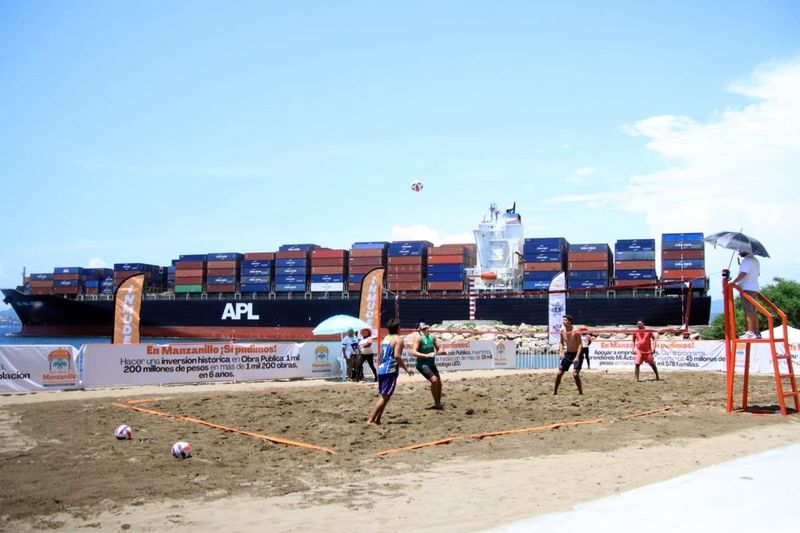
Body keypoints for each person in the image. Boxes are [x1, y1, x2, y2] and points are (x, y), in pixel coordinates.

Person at [367, 318, 413, 425]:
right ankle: (371, 419)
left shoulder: (386, 338)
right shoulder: (398, 340)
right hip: (390, 370)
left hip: (382, 369)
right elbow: (397, 356)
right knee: (385, 396)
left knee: (385, 396)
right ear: (398, 328)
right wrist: (406, 369)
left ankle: (378, 419)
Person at [410, 320, 446, 410]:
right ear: (418, 329)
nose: (425, 327)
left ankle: (438, 403)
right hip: (422, 364)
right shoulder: (418, 338)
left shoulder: (432, 336)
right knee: (434, 381)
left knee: (439, 383)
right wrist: (426, 355)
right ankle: (437, 403)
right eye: (423, 326)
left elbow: (438, 349)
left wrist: (442, 351)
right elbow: (413, 352)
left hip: (431, 363)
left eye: (425, 325)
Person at [730, 251, 761, 339]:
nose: (739, 253)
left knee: (748, 310)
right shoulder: (755, 260)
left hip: (746, 288)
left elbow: (743, 273)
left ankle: (750, 332)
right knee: (753, 310)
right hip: (754, 287)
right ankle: (757, 332)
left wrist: (734, 282)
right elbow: (758, 274)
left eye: (741, 251)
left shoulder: (746, 261)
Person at [554, 315, 583, 395]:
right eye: (563, 320)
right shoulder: (562, 330)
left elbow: (580, 344)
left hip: (577, 353)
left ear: (570, 322)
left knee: (575, 374)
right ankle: (554, 392)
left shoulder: (576, 330)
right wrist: (560, 352)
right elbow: (561, 342)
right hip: (568, 354)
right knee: (559, 373)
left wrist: (577, 357)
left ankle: (580, 393)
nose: (564, 322)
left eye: (565, 320)